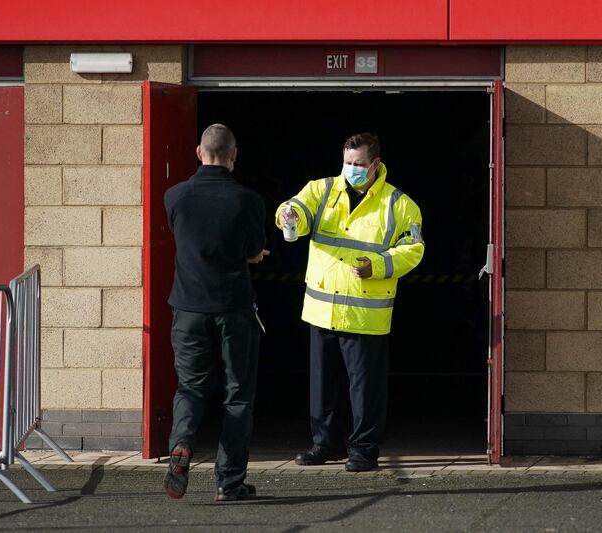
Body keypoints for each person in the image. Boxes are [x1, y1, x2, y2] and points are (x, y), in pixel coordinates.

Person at [276, 132, 424, 472]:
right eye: (346, 162)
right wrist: (288, 216)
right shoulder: (322, 189)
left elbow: (413, 249)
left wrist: (378, 266)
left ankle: (364, 449)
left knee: (364, 387)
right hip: (322, 308)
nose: (350, 169)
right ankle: (323, 445)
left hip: (364, 311)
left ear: (375, 165)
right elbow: (296, 209)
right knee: (322, 383)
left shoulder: (399, 204)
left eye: (358, 164)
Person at [163, 123, 269, 502]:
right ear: (233, 155)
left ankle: (182, 444)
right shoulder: (248, 200)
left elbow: (186, 238)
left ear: (198, 152)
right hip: (234, 309)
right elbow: (252, 249)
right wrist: (252, 255)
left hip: (189, 308)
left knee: (191, 387)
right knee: (238, 395)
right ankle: (229, 482)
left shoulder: (175, 196)